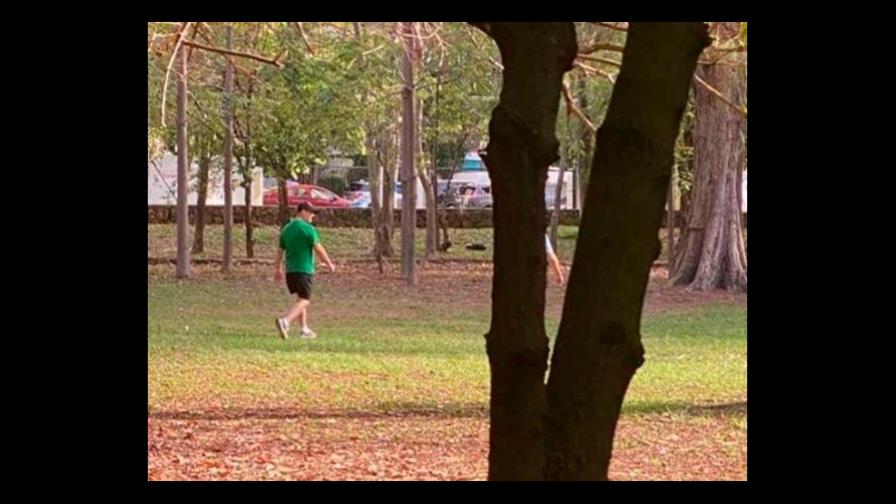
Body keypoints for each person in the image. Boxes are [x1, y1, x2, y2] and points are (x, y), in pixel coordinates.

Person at [274, 202, 336, 340]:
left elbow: (280, 251)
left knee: (300, 298)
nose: (313, 215)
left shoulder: (286, 229)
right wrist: (329, 264)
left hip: (290, 271)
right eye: (311, 212)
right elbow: (318, 248)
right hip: (304, 269)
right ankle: (286, 321)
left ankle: (304, 329)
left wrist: (278, 268)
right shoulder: (308, 229)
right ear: (302, 211)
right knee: (305, 300)